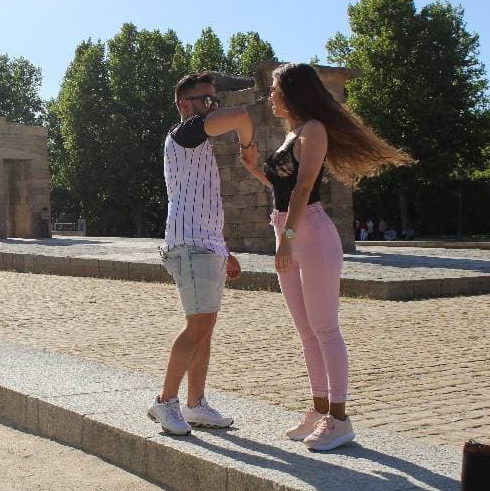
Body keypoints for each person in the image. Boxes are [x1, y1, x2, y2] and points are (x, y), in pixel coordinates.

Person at [239, 63, 412, 451]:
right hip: (289, 231)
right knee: (306, 331)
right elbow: (284, 187)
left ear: (292, 92)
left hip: (311, 234)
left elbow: (303, 189)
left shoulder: (314, 129)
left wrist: (288, 239)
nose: (270, 96)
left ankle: (340, 418)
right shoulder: (293, 133)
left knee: (326, 329)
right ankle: (319, 411)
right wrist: (256, 172)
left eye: (274, 89)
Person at [147, 72, 257, 435]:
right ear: (185, 105)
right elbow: (241, 116)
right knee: (197, 327)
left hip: (204, 244)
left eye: (214, 100)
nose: (214, 106)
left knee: (204, 329)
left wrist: (224, 251)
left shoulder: (196, 142)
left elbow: (205, 204)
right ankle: (165, 402)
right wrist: (248, 147)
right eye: (206, 100)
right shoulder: (184, 133)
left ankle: (195, 404)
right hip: (190, 245)